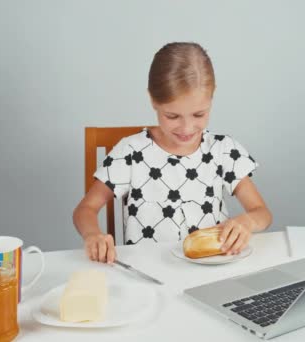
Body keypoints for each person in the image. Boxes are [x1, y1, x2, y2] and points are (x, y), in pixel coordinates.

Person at [73, 42, 272, 264]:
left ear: (211, 100)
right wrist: (92, 235)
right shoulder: (131, 152)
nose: (187, 129)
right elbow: (85, 209)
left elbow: (262, 213)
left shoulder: (223, 150)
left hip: (211, 273)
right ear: (153, 101)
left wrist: (247, 222)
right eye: (172, 116)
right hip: (148, 273)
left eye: (199, 115)